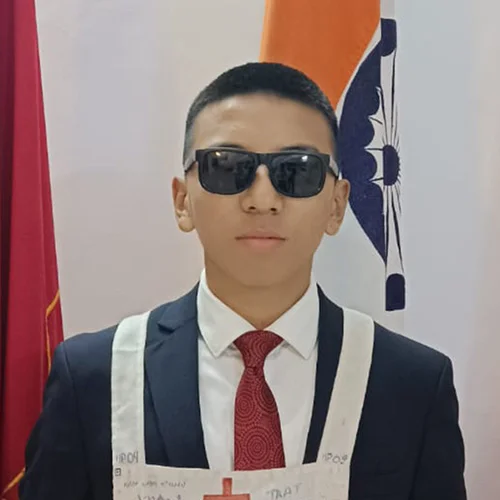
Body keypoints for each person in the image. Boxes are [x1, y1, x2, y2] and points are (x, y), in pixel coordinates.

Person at [20, 62, 467, 500]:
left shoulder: (412, 385)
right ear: (182, 201)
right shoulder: (94, 378)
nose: (262, 199)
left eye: (297, 170)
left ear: (336, 205)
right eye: (227, 166)